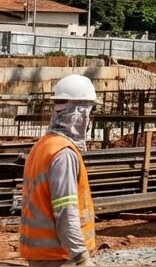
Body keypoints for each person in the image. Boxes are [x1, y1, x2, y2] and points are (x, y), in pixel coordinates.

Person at [20, 74, 99, 267]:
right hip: (61, 257)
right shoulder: (63, 154)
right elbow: (65, 211)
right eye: (91, 113)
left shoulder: (42, 147)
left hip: (42, 256)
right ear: (82, 114)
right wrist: (81, 257)